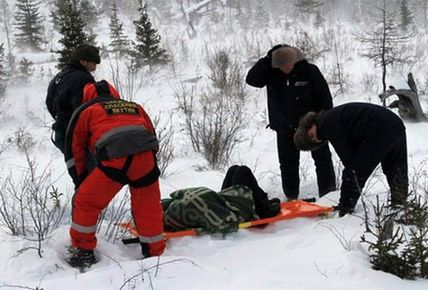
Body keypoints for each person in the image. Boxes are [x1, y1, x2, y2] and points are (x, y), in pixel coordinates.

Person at [64, 80, 165, 270]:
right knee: (148, 207)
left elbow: (75, 149)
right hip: (145, 159)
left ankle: (83, 252)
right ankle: (155, 253)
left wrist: (81, 179)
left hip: (114, 161)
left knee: (85, 202)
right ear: (114, 92)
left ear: (87, 97)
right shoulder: (134, 106)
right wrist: (145, 163)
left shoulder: (86, 111)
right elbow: (152, 135)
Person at [246, 44, 336, 200]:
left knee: (323, 161)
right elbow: (252, 80)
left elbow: (325, 99)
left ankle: (328, 195)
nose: (285, 68)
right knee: (288, 164)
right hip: (284, 127)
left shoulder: (310, 71)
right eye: (280, 65)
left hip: (312, 126)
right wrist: (268, 59)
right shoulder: (271, 74)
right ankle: (291, 196)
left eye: (288, 64)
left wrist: (320, 122)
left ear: (295, 60)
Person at [293, 102, 408, 217]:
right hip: (395, 123)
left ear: (309, 124)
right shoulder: (331, 117)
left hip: (378, 128)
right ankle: (400, 204)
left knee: (354, 171)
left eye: (311, 135)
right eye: (314, 141)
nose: (316, 138)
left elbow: (351, 165)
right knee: (396, 168)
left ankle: (346, 209)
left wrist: (344, 204)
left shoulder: (326, 123)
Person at [162, 165, 281, 234]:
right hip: (234, 211)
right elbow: (207, 222)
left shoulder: (168, 208)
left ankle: (259, 202)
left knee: (233, 170)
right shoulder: (173, 217)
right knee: (242, 171)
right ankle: (262, 209)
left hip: (221, 201)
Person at [46, 44, 100, 153]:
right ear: (83, 61)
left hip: (60, 132)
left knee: (74, 167)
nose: (95, 66)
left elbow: (49, 102)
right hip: (75, 136)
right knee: (90, 168)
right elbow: (84, 108)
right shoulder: (83, 78)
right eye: (93, 62)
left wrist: (61, 119)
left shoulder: (59, 76)